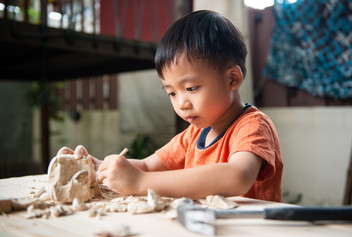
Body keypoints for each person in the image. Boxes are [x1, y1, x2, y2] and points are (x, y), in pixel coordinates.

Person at [57, 10, 283, 202]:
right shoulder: (193, 135)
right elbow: (146, 166)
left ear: (232, 79)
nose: (181, 103)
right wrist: (99, 168)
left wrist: (140, 183)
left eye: (191, 88)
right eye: (172, 93)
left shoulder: (253, 126)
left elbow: (237, 177)